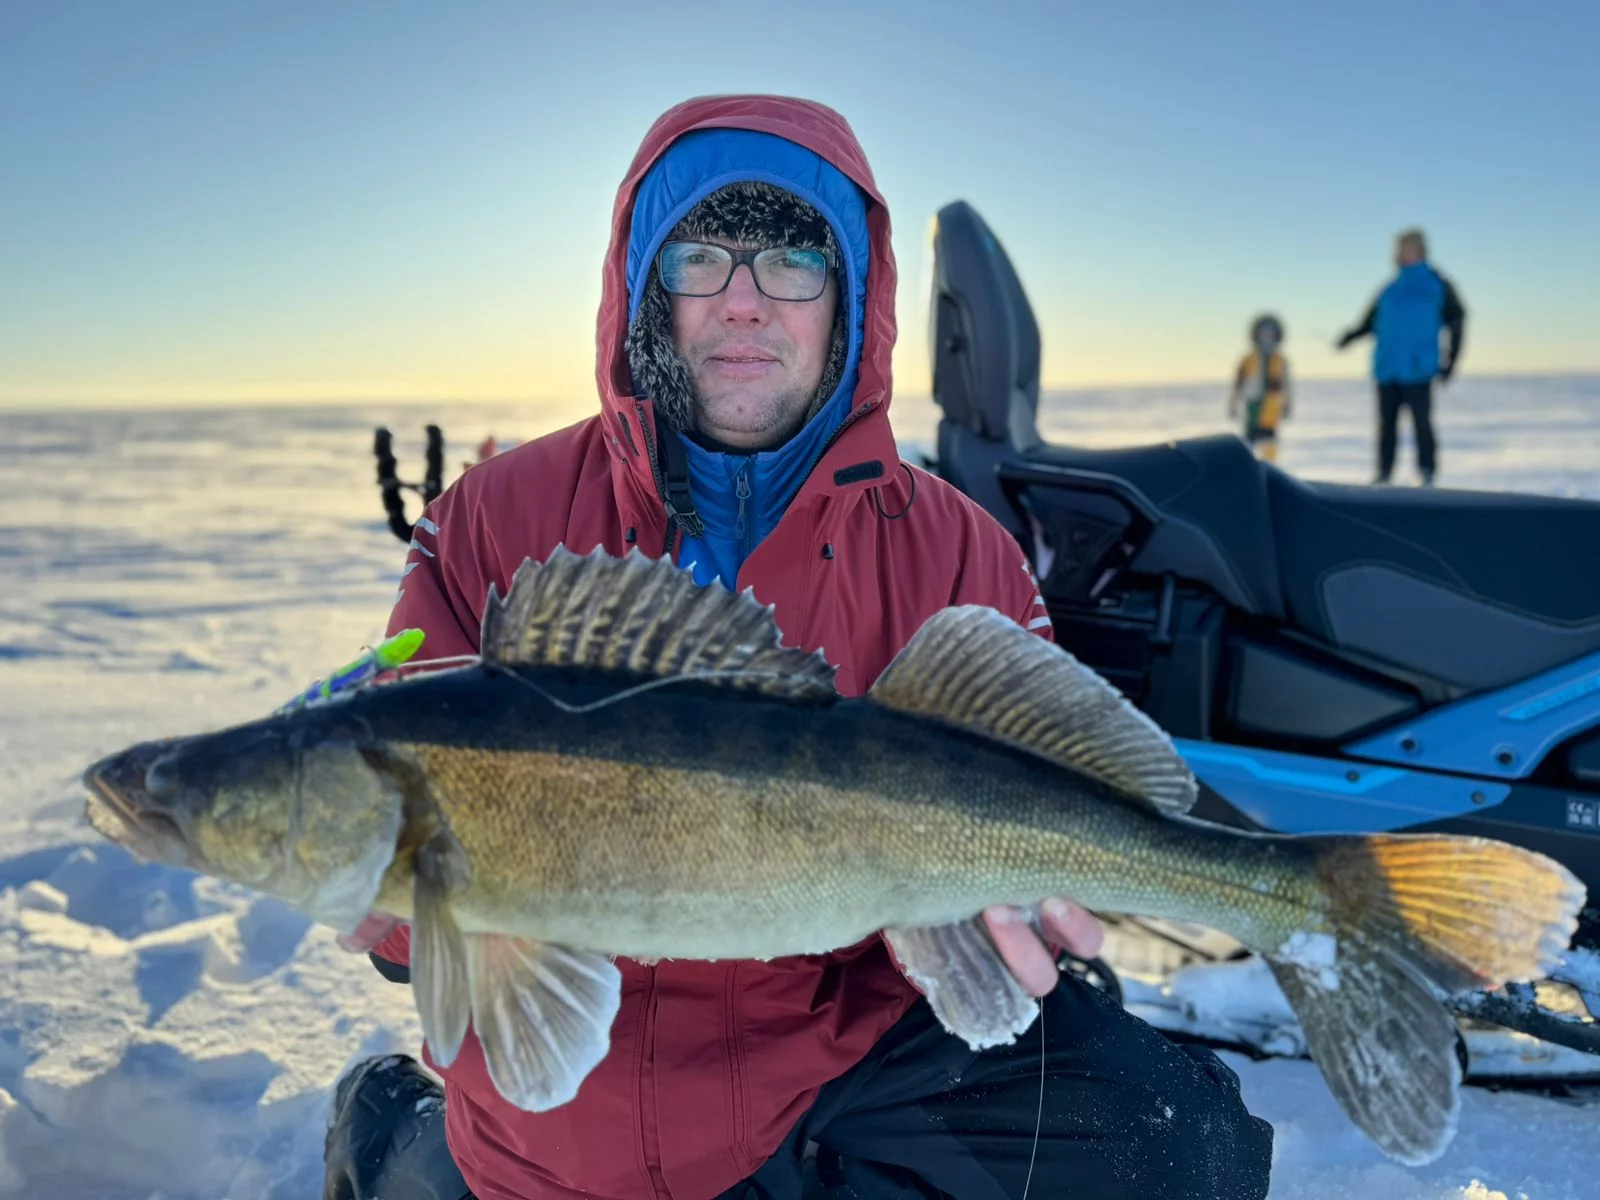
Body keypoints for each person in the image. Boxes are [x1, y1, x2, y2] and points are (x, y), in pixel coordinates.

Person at [321, 95, 1274, 1200]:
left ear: (850, 297)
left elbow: (1043, 783)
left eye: (790, 259)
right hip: (587, 1065)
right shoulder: (492, 517)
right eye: (698, 257)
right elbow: (410, 822)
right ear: (641, 288)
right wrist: (397, 913)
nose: (742, 302)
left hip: (852, 1032)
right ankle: (400, 1128)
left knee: (1173, 1152)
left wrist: (1017, 890)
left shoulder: (958, 546)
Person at [1335, 228, 1467, 486]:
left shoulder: (1437, 285)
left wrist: (1450, 362)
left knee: (1422, 423)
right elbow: (1369, 323)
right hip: (1387, 369)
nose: (1401, 253)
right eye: (1399, 248)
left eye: (1408, 247)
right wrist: (1348, 337)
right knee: (1386, 427)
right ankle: (1384, 474)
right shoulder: (1390, 289)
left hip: (1418, 370)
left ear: (1420, 249)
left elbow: (1458, 321)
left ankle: (1427, 472)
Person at [1228, 314, 1291, 461]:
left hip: (1271, 409)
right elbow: (1239, 382)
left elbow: (1286, 385)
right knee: (1249, 444)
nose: (1267, 337)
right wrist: (1233, 402)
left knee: (1270, 445)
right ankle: (1247, 469)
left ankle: (1270, 471)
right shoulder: (1248, 359)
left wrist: (1287, 404)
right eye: (1264, 333)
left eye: (1271, 333)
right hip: (1252, 408)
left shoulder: (1280, 360)